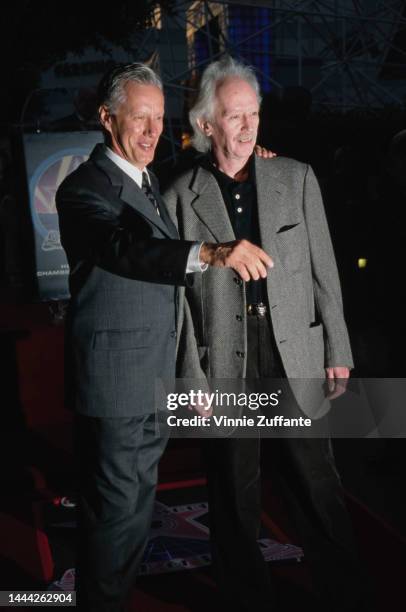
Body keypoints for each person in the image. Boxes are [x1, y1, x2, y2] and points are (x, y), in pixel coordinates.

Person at [55, 62, 273, 612]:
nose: (153, 132)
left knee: (125, 523)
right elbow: (123, 248)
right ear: (106, 119)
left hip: (152, 381)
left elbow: (208, 168)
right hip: (117, 388)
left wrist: (254, 162)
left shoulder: (149, 179)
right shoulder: (84, 189)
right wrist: (210, 252)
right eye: (140, 118)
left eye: (159, 118)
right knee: (115, 526)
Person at [165, 56, 371, 612]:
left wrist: (338, 349)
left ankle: (347, 595)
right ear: (207, 124)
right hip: (225, 363)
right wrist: (191, 378)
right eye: (236, 116)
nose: (250, 126)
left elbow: (325, 271)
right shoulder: (179, 194)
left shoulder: (296, 176)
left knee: (317, 487)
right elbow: (176, 304)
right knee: (233, 497)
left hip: (295, 353)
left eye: (255, 114)